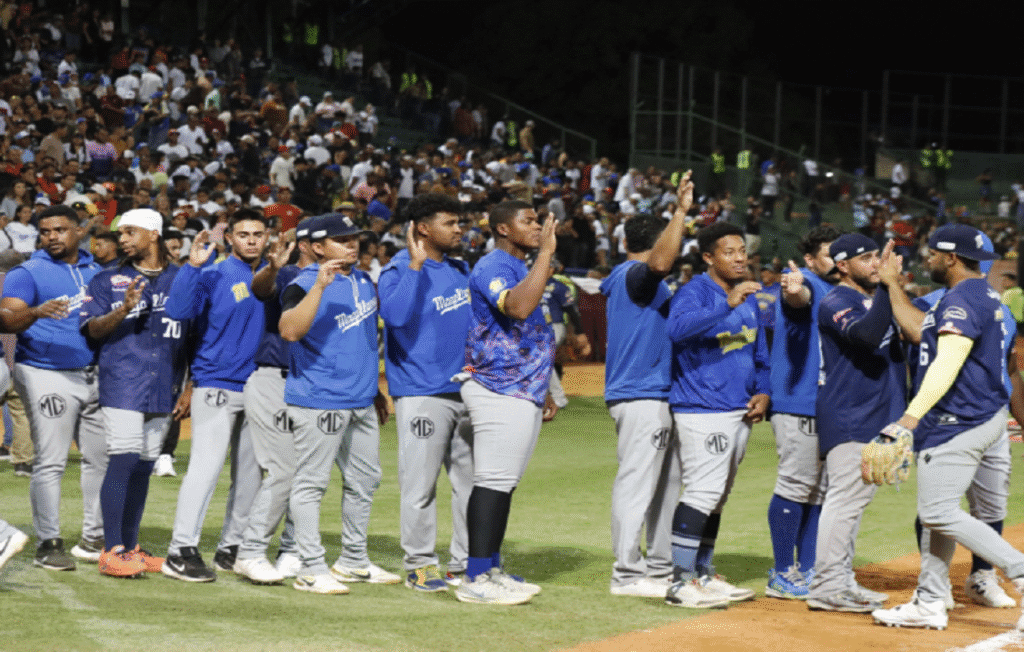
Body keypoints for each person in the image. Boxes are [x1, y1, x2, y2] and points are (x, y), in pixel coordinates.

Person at [871, 224, 1024, 630]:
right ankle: (931, 599)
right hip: (987, 416)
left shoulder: (962, 298)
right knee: (941, 514)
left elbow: (949, 360)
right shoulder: (989, 296)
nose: (928, 259)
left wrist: (910, 416)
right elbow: (928, 336)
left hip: (959, 419)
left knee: (937, 512)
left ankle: (1019, 571)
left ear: (950, 257)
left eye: (932, 253)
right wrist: (892, 285)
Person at [279, 213, 398, 594]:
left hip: (360, 400)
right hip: (320, 400)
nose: (352, 244)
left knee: (365, 480)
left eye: (355, 238)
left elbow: (361, 342)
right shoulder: (300, 284)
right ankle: (310, 567)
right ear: (316, 247)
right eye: (341, 239)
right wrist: (319, 286)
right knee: (312, 483)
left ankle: (353, 561)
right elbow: (290, 331)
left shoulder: (362, 280)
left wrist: (375, 391)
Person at [454, 200, 558, 605]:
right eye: (527, 221)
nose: (536, 227)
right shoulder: (493, 265)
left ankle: (491, 568)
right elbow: (517, 307)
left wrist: (544, 384)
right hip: (498, 386)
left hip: (522, 386)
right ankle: (476, 577)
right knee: (494, 481)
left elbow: (533, 329)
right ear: (501, 228)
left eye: (537, 220)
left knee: (504, 484)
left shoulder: (521, 266)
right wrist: (547, 253)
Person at [160, 210, 269, 582]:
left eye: (258, 233)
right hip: (217, 383)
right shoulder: (214, 273)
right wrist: (191, 267)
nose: (251, 240)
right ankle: (180, 550)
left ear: (267, 237)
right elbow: (176, 311)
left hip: (261, 387)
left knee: (252, 473)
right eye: (244, 234)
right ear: (231, 238)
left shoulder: (273, 275)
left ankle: (231, 548)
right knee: (205, 470)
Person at [78, 209, 188, 577]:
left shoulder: (183, 279)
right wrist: (123, 310)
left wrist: (189, 385)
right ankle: (112, 551)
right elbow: (92, 329)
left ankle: (132, 547)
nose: (121, 238)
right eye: (119, 232)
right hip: (123, 380)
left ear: (153, 234)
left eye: (129, 231)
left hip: (164, 384)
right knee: (123, 460)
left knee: (143, 467)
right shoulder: (107, 279)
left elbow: (195, 335)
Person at [664, 221, 768, 609]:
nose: (740, 258)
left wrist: (763, 390)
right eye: (730, 251)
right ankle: (680, 581)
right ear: (708, 257)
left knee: (718, 497)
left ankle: (703, 574)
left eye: (742, 250)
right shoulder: (694, 292)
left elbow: (758, 352)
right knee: (703, 492)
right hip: (702, 408)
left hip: (738, 409)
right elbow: (677, 330)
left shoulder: (749, 298)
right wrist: (728, 304)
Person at [0, 204, 107, 570]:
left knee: (100, 460)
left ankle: (94, 538)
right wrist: (35, 312)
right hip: (46, 372)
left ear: (79, 231)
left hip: (95, 373)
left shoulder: (98, 271)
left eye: (59, 230)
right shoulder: (27, 272)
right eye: (45, 231)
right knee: (51, 460)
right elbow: (7, 320)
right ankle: (50, 541)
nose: (51, 237)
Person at [602, 173, 693, 599]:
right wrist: (680, 212)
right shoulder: (635, 275)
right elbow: (659, 264)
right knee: (638, 483)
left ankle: (658, 568)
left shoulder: (634, 278)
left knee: (666, 485)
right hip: (641, 394)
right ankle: (626, 573)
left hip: (657, 395)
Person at [377, 193, 474, 592]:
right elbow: (396, 318)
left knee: (472, 485)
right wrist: (416, 266)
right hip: (421, 392)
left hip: (467, 391)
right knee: (420, 486)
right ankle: (419, 564)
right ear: (422, 229)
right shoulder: (396, 271)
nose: (458, 229)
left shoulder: (458, 269)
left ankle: (468, 563)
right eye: (449, 223)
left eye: (458, 222)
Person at [806, 235, 905, 612]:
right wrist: (886, 286)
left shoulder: (874, 298)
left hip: (876, 415)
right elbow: (865, 336)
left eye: (877, 257)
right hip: (850, 415)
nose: (876, 264)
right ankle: (827, 586)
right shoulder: (836, 301)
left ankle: (841, 579)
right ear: (842, 265)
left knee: (854, 502)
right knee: (844, 501)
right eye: (866, 258)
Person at [232, 217, 313, 585]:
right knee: (283, 470)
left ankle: (293, 549)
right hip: (276, 379)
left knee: (309, 474)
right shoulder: (284, 275)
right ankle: (249, 551)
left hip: (316, 385)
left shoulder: (342, 283)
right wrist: (272, 266)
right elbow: (261, 287)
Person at [765, 225, 842, 599]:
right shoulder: (809, 280)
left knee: (818, 492)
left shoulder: (842, 290)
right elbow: (799, 299)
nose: (837, 260)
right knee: (796, 486)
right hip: (799, 402)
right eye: (830, 253)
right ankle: (782, 572)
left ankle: (809, 569)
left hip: (825, 405)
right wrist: (794, 291)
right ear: (811, 260)